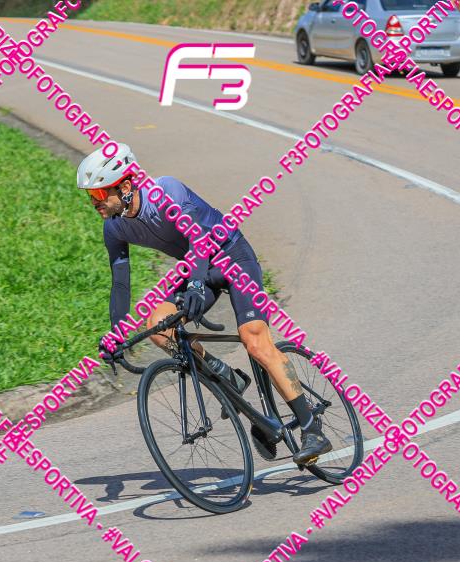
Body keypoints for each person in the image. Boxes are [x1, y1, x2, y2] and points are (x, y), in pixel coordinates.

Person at [79, 143, 332, 466]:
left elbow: (199, 239)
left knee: (255, 340)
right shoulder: (113, 228)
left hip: (231, 257)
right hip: (197, 268)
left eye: (99, 194)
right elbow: (120, 283)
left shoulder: (165, 191)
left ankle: (311, 428)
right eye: (90, 196)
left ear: (126, 186)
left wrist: (197, 285)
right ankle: (226, 376)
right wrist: (117, 334)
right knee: (159, 328)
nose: (94, 203)